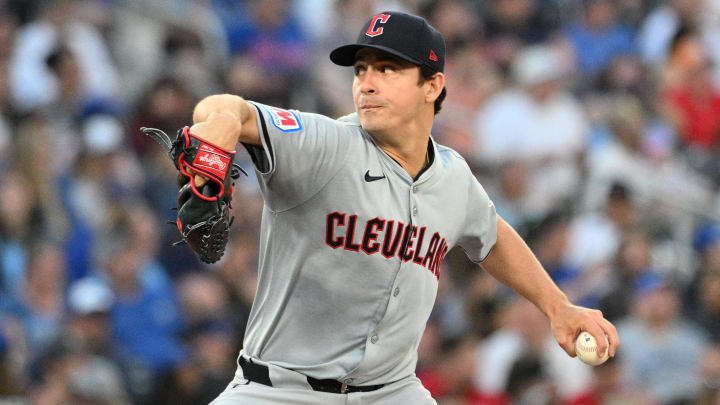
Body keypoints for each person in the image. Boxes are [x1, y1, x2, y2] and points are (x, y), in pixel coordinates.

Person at [181, 11, 618, 405]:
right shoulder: (325, 143)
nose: (366, 83)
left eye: (387, 69)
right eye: (361, 69)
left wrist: (557, 306)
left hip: (392, 392)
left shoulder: (452, 176)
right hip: (278, 391)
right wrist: (219, 126)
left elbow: (492, 235)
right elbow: (225, 108)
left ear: (432, 85)